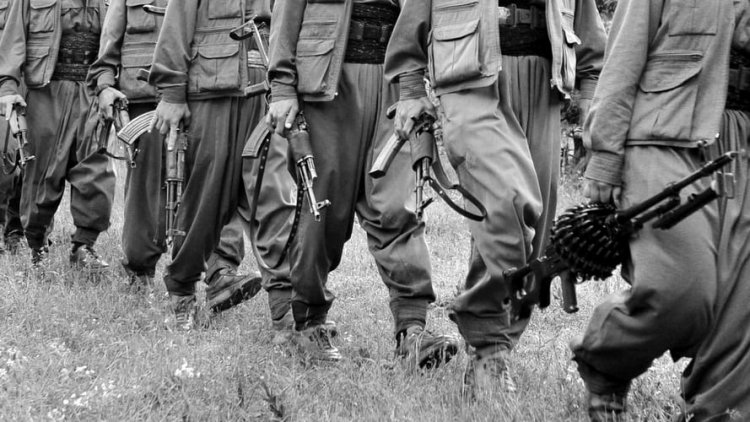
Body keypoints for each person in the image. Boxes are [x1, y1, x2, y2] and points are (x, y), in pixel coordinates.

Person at [385, 0, 604, 396]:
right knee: (506, 203)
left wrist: (590, 86)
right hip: (468, 77)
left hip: (542, 77)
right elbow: (414, 15)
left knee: (536, 230)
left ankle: (493, 346)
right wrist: (411, 87)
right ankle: (489, 345)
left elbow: (586, 17)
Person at [569, 1, 750, 420]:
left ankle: (720, 409)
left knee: (744, 301)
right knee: (680, 287)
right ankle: (607, 364)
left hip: (743, 136)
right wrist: (605, 154)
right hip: (666, 128)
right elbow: (624, 53)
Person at [266, 0, 459, 365]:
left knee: (397, 206)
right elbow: (287, 12)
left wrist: (415, 85)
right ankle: (309, 323)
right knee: (322, 209)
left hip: (394, 84)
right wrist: (281, 87)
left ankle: (412, 330)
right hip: (326, 82)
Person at [85, 0, 263, 315]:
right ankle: (140, 269)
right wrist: (104, 85)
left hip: (207, 87)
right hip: (146, 95)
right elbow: (110, 42)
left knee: (214, 182)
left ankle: (220, 270)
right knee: (149, 193)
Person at [147, 0, 273, 329]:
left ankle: (290, 312)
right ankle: (181, 291)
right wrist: (172, 93)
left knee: (271, 202)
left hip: (262, 92)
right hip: (211, 92)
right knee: (205, 197)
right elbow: (176, 25)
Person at [0, 0, 114, 272]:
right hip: (45, 92)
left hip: (91, 90)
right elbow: (13, 40)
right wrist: (7, 88)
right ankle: (36, 244)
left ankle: (84, 245)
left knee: (96, 169)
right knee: (42, 173)